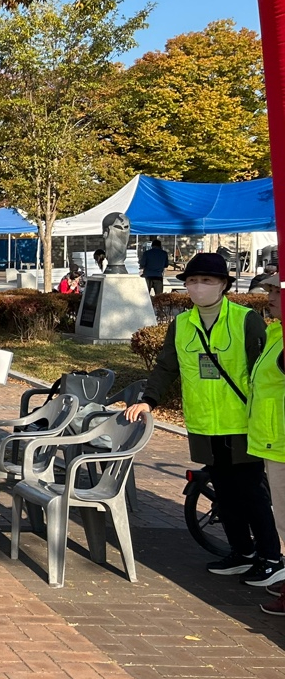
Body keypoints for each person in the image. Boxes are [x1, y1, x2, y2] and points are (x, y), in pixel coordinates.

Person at [127, 252, 282, 584]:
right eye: (193, 281)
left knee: (251, 492)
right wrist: (148, 401)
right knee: (224, 493)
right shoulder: (182, 324)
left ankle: (270, 556)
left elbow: (263, 372)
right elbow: (166, 366)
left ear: (223, 284)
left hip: (242, 423)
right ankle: (242, 551)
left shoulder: (245, 320)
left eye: (207, 280)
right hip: (204, 425)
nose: (198, 287)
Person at [245, 273, 285, 612]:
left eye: (277, 290)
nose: (269, 296)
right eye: (269, 289)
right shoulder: (276, 333)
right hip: (272, 440)